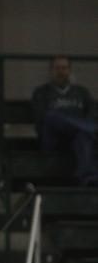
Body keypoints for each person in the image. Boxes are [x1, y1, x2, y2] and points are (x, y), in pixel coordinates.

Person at [31, 55, 98, 186]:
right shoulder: (41, 92)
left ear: (69, 70)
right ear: (51, 71)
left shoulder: (82, 92)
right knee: (52, 116)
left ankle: (89, 179)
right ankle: (90, 129)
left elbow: (92, 113)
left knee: (83, 136)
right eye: (57, 68)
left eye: (64, 68)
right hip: (53, 139)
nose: (61, 71)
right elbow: (42, 119)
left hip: (76, 138)